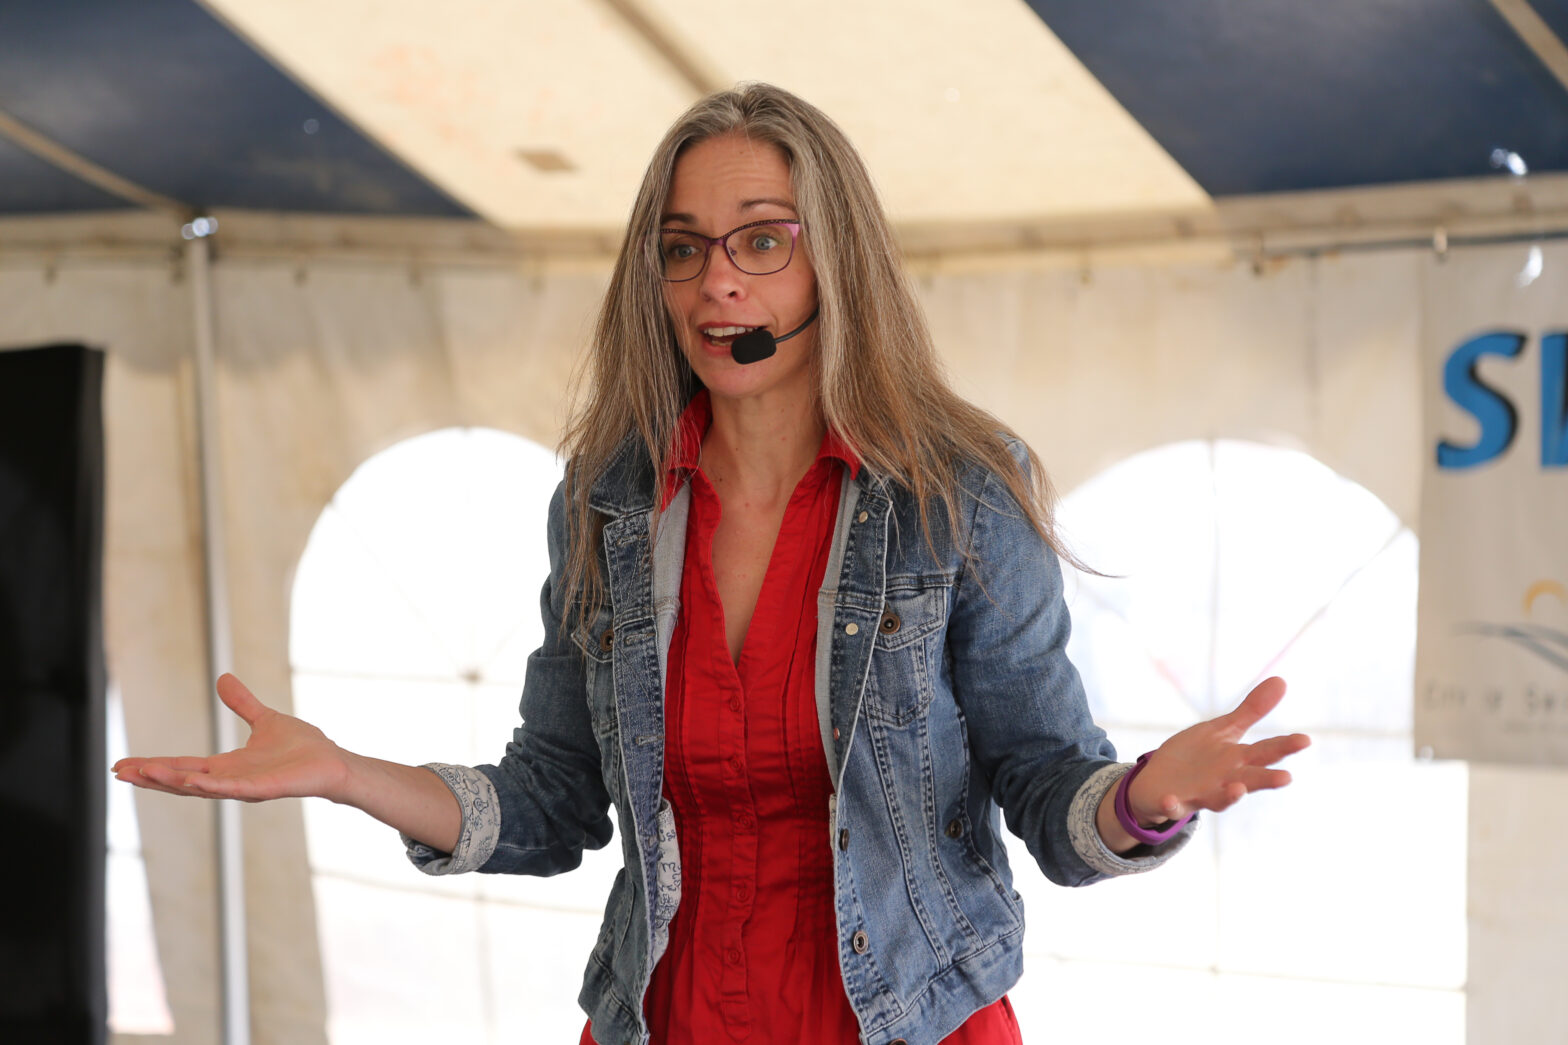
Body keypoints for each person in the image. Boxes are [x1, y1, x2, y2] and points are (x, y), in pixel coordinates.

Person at [115, 83, 1311, 1045]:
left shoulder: (958, 489)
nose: (716, 282)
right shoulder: (607, 497)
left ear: (832, 263)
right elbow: (551, 796)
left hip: (907, 1023)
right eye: (683, 250)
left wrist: (1145, 797)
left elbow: (1050, 793)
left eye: (760, 242)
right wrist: (343, 771)